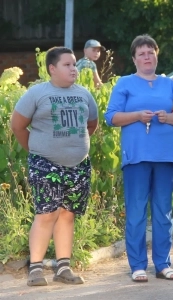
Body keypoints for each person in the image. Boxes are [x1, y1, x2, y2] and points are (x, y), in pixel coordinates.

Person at [104, 34, 173, 283]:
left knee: (163, 212)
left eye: (150, 52)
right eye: (141, 53)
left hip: (164, 156)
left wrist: (169, 117)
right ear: (134, 58)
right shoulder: (125, 83)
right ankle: (137, 265)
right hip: (136, 156)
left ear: (156, 55)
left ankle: (163, 264)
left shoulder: (169, 84)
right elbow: (111, 117)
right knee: (136, 212)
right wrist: (137, 116)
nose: (146, 57)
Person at [10, 46, 99, 286]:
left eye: (74, 64)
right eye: (68, 65)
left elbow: (91, 125)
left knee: (68, 215)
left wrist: (74, 147)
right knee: (47, 213)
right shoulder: (37, 93)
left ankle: (63, 269)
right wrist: (38, 151)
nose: (74, 69)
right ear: (52, 68)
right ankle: (36, 269)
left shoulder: (83, 94)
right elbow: (17, 125)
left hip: (78, 166)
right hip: (45, 164)